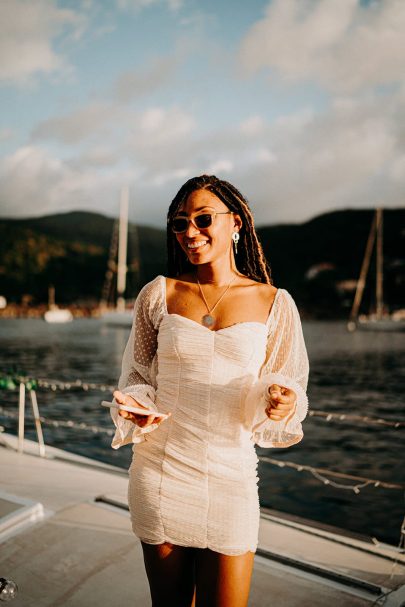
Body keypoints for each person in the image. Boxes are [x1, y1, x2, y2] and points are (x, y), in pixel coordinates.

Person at [110, 174, 309, 607]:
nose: (190, 233)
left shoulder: (275, 302)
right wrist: (138, 406)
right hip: (161, 470)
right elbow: (137, 377)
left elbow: (286, 379)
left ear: (235, 222)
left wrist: (283, 401)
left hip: (231, 476)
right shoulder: (158, 294)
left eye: (203, 219)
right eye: (180, 224)